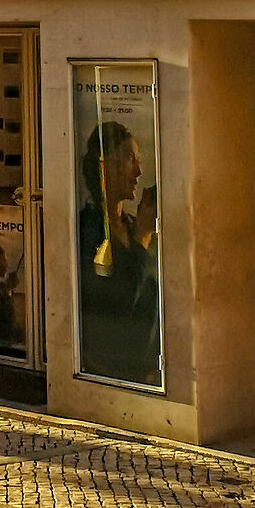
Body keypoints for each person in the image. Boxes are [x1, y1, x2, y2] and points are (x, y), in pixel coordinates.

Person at [78, 118, 160, 384]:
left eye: (139, 160)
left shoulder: (131, 225)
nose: (138, 171)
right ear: (105, 167)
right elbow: (120, 301)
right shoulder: (89, 229)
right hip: (112, 369)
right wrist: (143, 237)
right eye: (129, 159)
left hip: (146, 369)